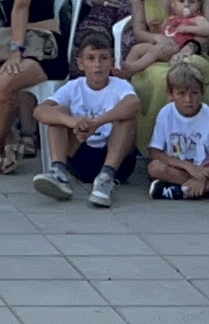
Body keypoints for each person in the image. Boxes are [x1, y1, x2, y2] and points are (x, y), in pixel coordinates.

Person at [30, 34, 141, 207]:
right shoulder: (74, 86)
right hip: (81, 155)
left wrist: (97, 123)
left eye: (104, 58)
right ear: (81, 64)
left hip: (117, 160)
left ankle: (106, 178)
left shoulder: (119, 85)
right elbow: (39, 111)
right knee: (57, 112)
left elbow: (134, 103)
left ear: (112, 62)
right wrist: (73, 122)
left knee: (127, 116)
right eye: (91, 58)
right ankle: (58, 171)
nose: (98, 64)